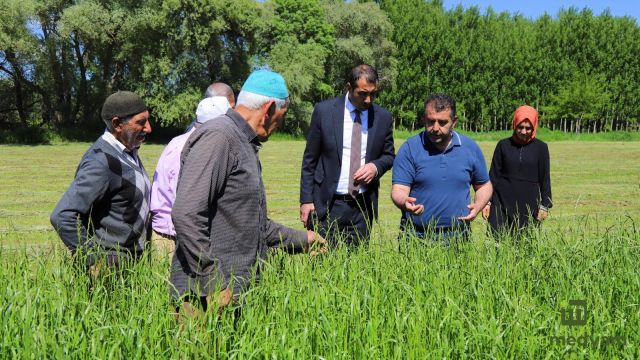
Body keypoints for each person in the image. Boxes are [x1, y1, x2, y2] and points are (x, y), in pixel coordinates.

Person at [170, 70, 327, 317]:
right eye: (281, 119)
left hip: (228, 295)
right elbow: (186, 213)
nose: (278, 126)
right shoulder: (219, 136)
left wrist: (302, 239)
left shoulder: (243, 143)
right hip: (203, 298)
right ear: (269, 109)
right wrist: (214, 282)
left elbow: (252, 224)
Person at [50, 91, 152, 273]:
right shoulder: (101, 161)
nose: (149, 128)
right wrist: (94, 260)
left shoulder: (127, 151)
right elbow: (63, 216)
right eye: (141, 122)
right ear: (117, 124)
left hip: (131, 266)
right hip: (111, 270)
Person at [299, 64, 395, 247]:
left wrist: (375, 167)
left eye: (373, 94)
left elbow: (389, 155)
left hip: (363, 207)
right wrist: (306, 200)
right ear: (349, 87)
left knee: (357, 266)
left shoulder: (383, 117)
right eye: (363, 93)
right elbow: (309, 159)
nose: (368, 100)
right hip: (328, 204)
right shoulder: (324, 111)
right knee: (322, 262)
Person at [391, 94, 492, 244]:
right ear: (424, 119)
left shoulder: (470, 148)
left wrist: (478, 206)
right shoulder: (410, 148)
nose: (436, 128)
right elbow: (398, 189)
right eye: (431, 121)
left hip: (458, 236)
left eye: (442, 122)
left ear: (454, 122)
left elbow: (484, 185)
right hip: (416, 236)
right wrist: (403, 201)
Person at [149, 95, 232, 256]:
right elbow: (186, 202)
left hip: (172, 230)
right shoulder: (196, 146)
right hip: (174, 237)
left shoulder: (178, 141)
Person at [482, 105, 552, 236]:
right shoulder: (503, 145)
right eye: (520, 127)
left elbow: (545, 178)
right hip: (501, 203)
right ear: (514, 124)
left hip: (528, 205)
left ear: (534, 127)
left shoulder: (541, 148)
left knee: (523, 246)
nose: (524, 131)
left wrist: (545, 205)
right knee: (496, 242)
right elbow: (493, 176)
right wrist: (487, 202)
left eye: (528, 128)